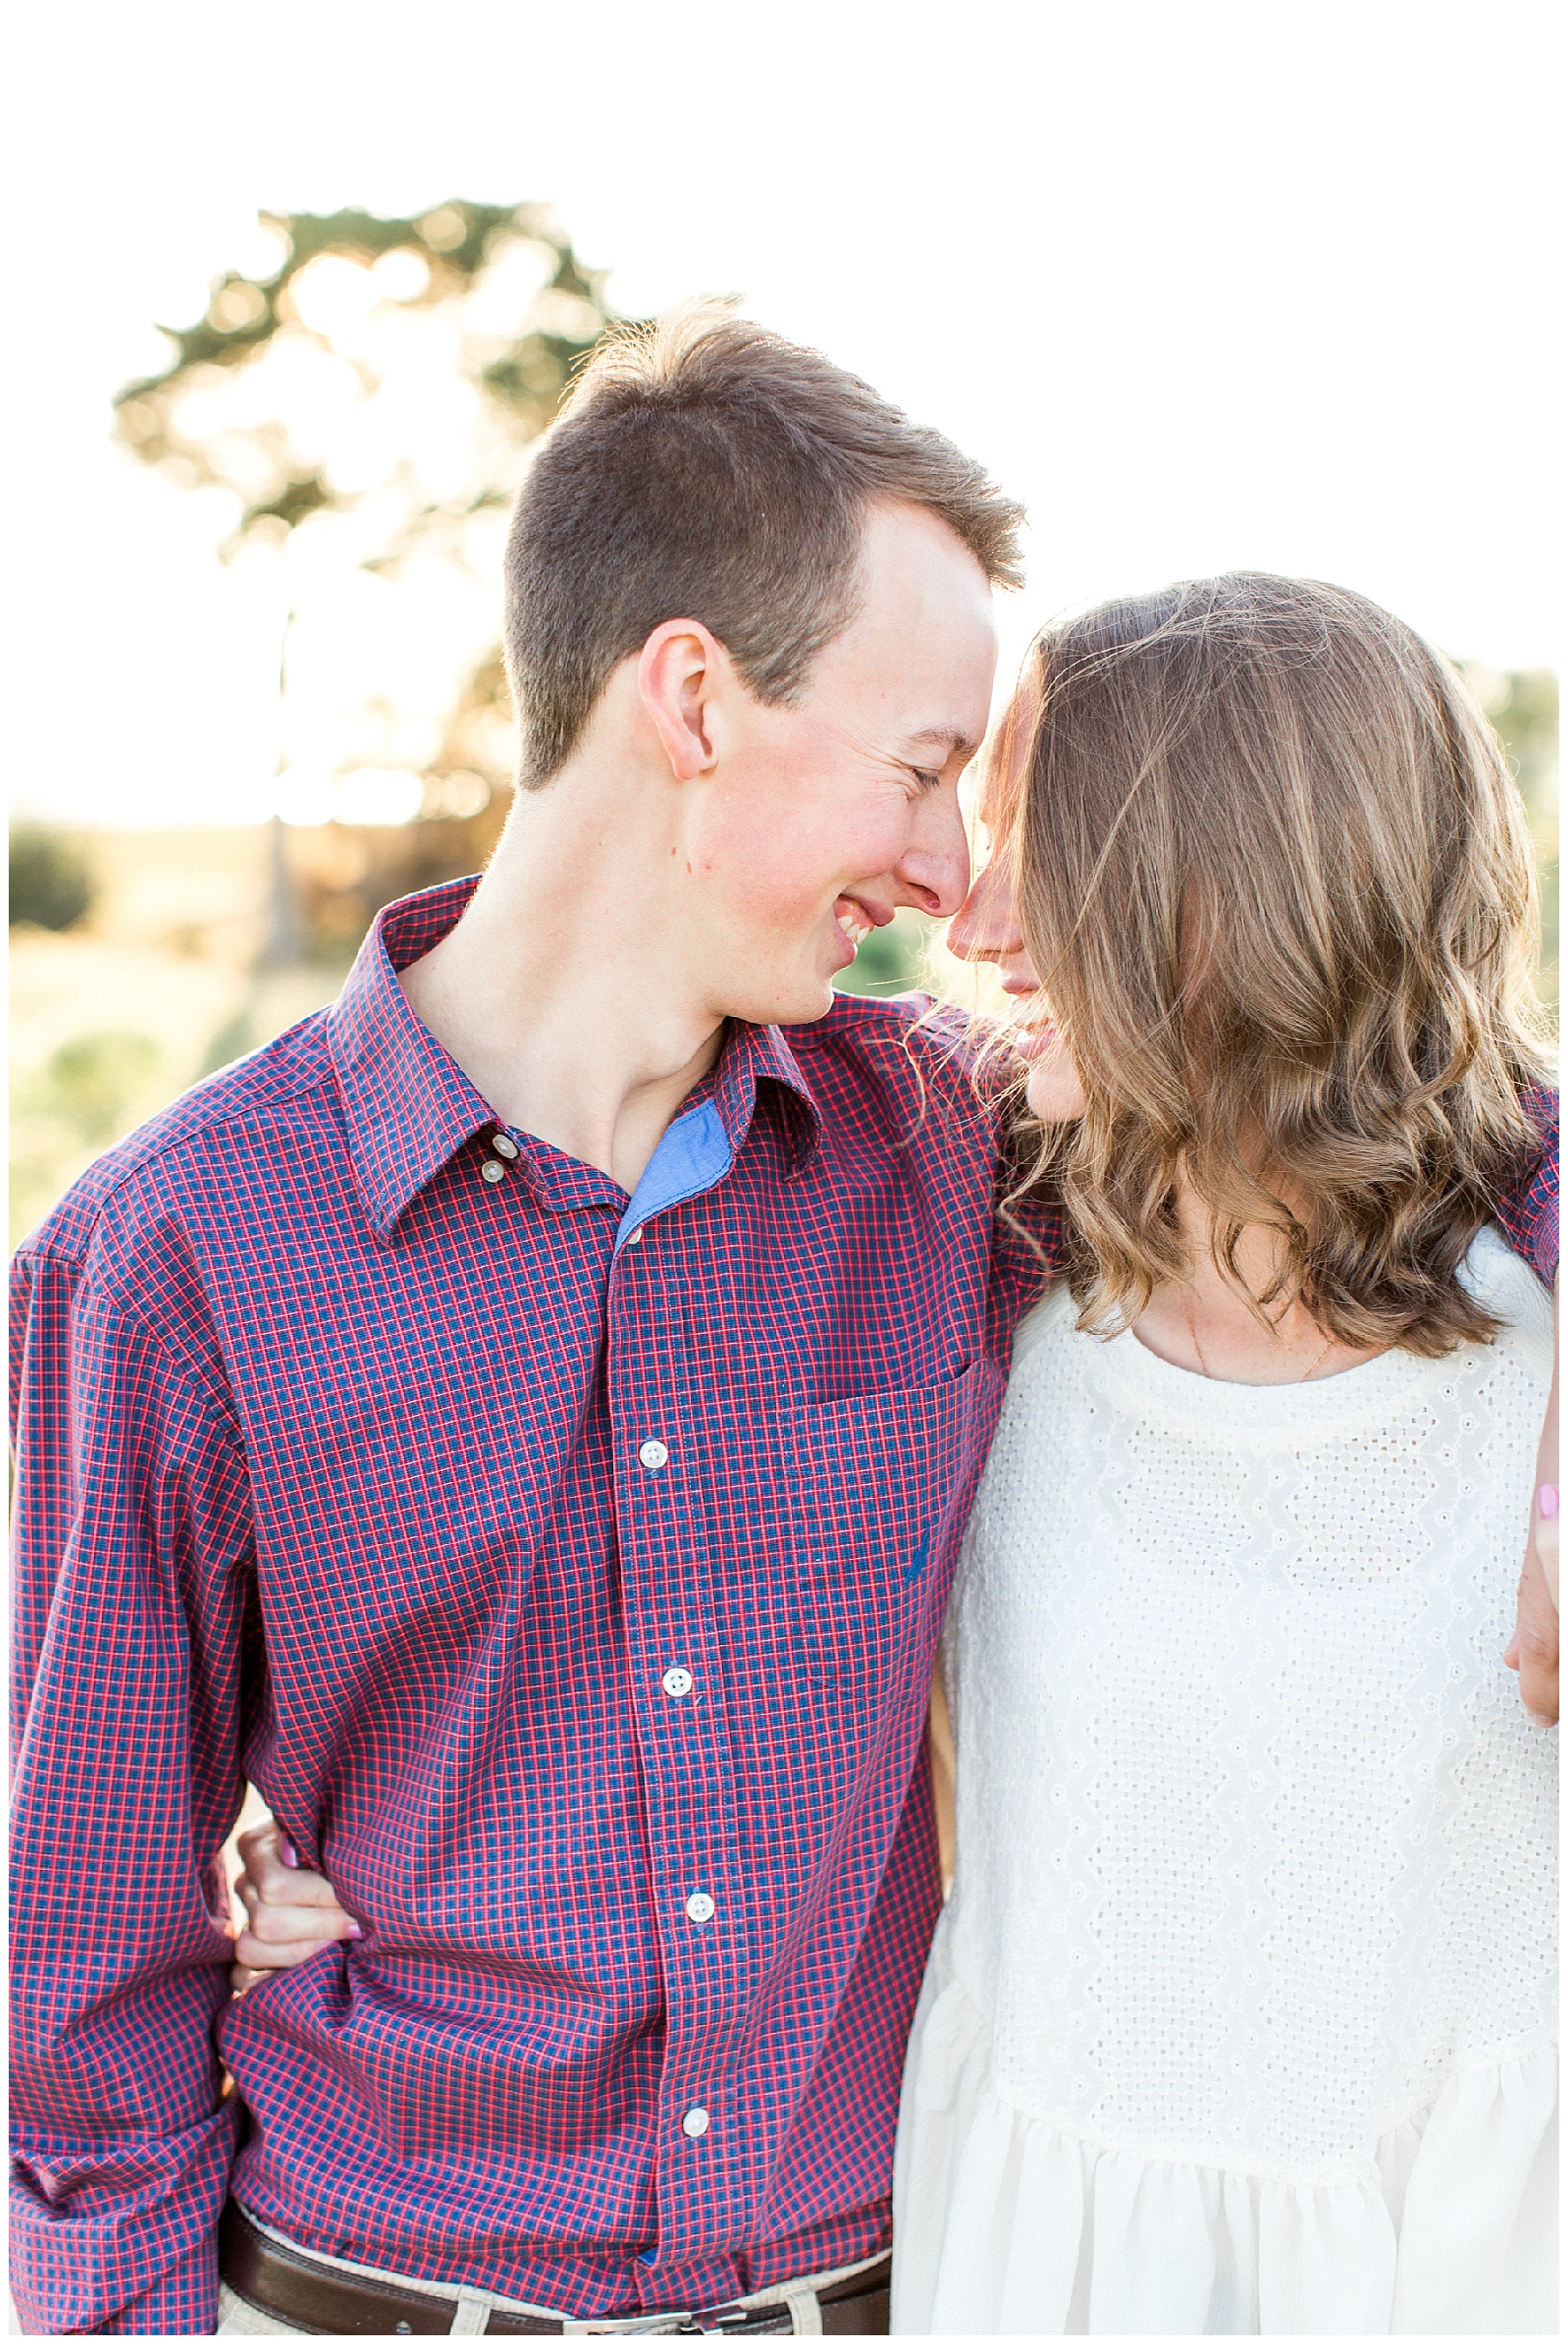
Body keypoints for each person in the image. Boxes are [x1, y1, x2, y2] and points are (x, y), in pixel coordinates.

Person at [8, 306, 1554, 2340]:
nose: (949, 874)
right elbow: (80, 2011)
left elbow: (1376, 1056)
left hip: (893, 2294)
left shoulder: (944, 1148)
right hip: (365, 2291)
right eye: (923, 771)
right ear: (694, 701)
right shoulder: (179, 1250)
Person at [889, 576, 1558, 2334]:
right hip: (1040, 2264)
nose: (969, 920)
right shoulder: (981, 1288)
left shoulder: (1533, 1378)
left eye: (1043, 844)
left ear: (1237, 891)